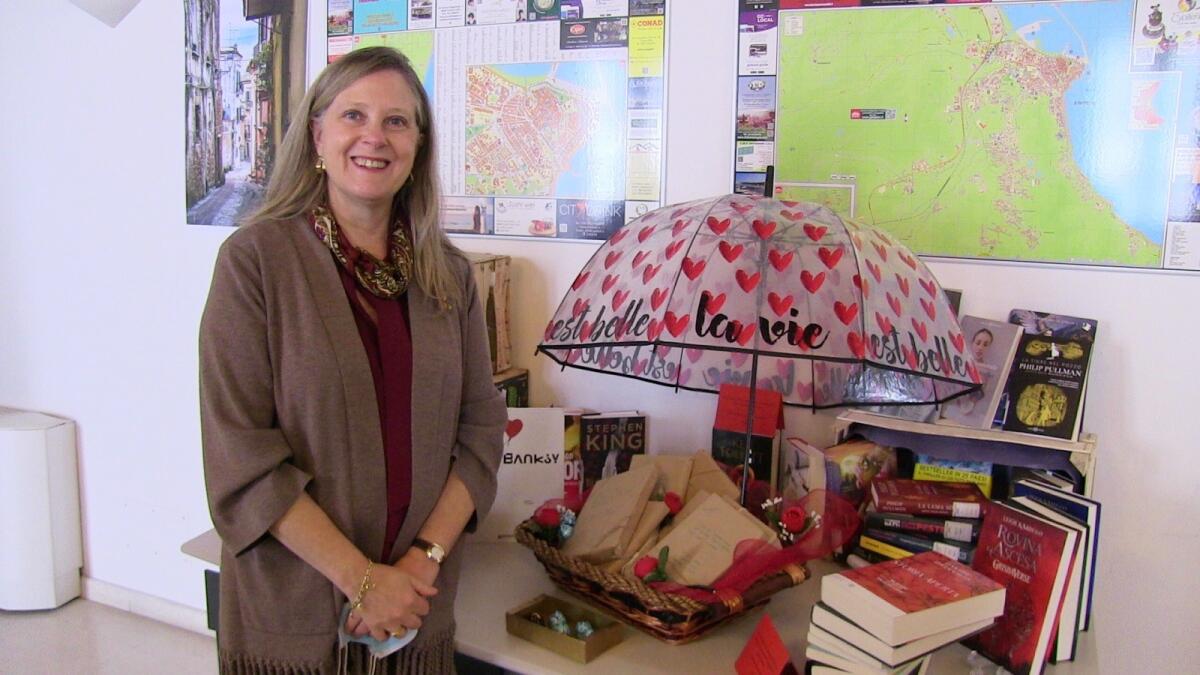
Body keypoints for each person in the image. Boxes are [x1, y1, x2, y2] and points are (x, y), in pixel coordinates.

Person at [199, 46, 506, 674]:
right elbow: (241, 455)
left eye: (397, 121)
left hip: (416, 607)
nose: (375, 137)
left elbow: (481, 430)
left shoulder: (449, 275)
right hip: (297, 613)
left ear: (418, 145)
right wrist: (363, 580)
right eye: (353, 115)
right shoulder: (254, 263)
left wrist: (422, 561)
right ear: (318, 135)